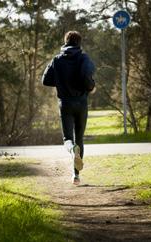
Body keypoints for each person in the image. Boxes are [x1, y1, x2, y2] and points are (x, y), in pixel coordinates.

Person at [41, 31, 95, 185]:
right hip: (81, 104)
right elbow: (88, 77)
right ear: (79, 43)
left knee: (68, 139)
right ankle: (76, 176)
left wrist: (61, 83)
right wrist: (91, 87)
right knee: (80, 139)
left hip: (65, 104)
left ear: (65, 42)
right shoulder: (83, 58)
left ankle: (72, 151)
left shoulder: (57, 60)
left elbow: (45, 80)